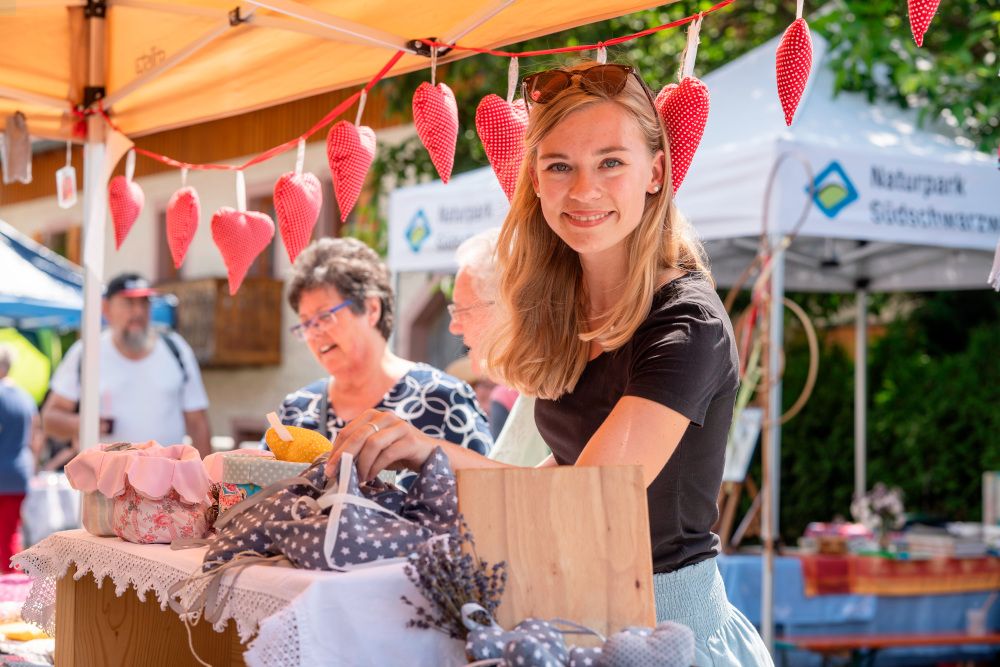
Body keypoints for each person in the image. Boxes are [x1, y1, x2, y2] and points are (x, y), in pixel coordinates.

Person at [324, 62, 773, 665]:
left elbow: (582, 502)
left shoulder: (684, 323)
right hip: (572, 618)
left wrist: (433, 455)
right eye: (560, 165)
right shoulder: (567, 311)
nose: (583, 189)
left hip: (669, 636)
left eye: (611, 162)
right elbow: (550, 483)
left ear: (655, 173)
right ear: (535, 180)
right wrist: (419, 448)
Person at [274, 238, 492, 473]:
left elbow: (490, 491)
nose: (315, 333)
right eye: (306, 324)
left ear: (371, 309)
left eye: (324, 316)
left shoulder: (443, 398)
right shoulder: (297, 408)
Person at [42, 273, 211, 456]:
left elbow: (198, 423)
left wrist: (204, 480)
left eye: (144, 302)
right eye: (129, 303)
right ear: (106, 308)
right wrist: (84, 423)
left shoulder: (176, 349)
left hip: (168, 481)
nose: (138, 312)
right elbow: (50, 419)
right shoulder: (87, 352)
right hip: (106, 483)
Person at [449, 229, 550, 467]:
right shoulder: (534, 387)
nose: (454, 327)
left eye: (461, 310)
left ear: (508, 307)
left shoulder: (556, 389)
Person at [0, 345, 37, 572]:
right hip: (20, 470)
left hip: (3, 471)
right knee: (11, 530)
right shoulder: (25, 396)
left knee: (6, 538)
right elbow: (36, 435)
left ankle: (11, 586)